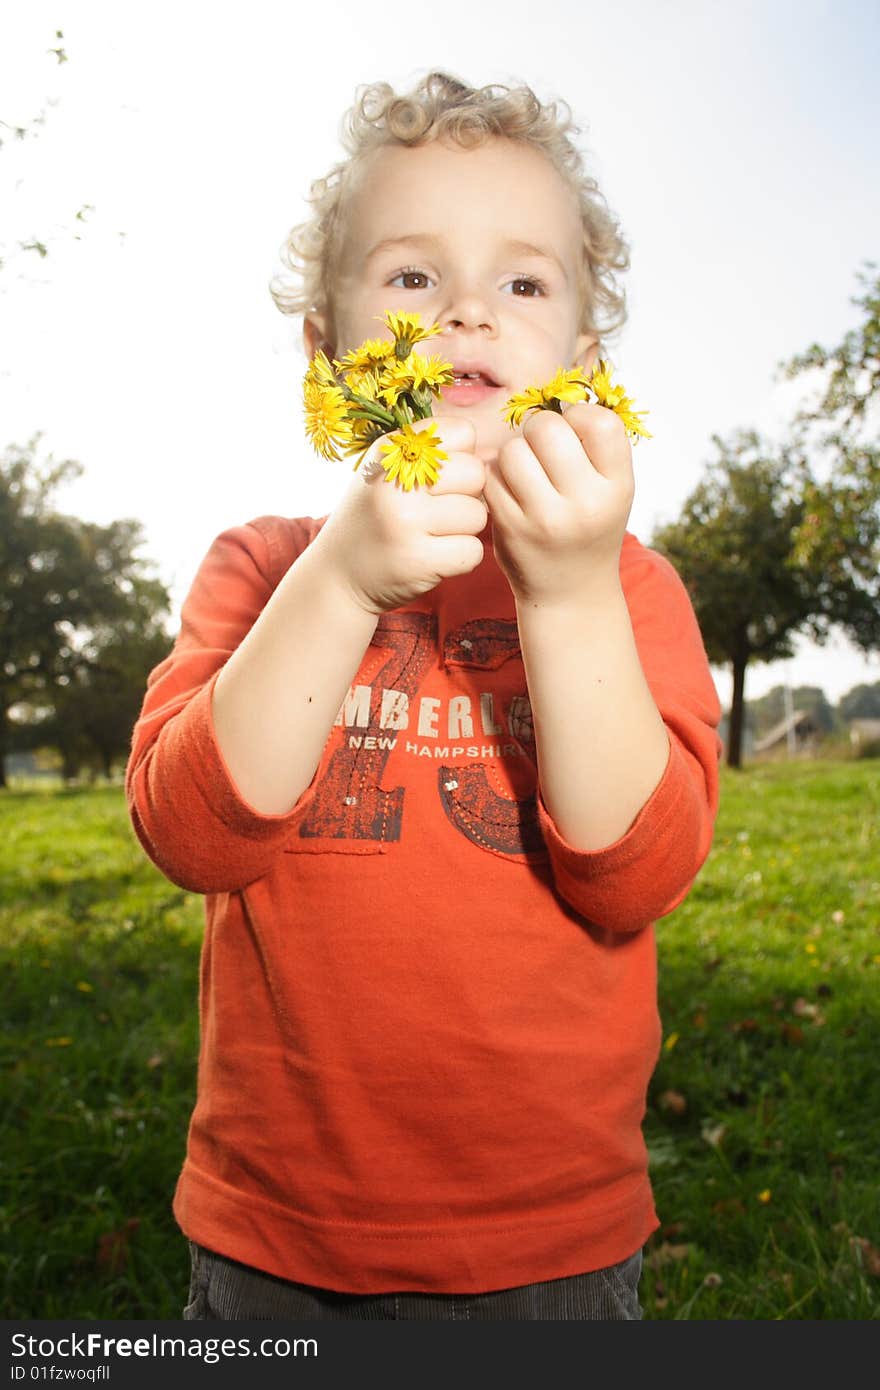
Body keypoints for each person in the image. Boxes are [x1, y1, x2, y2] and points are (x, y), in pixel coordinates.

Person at [126, 71, 722, 1321]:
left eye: (521, 282)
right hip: (278, 1236)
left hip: (551, 1239)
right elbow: (192, 835)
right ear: (324, 347)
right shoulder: (262, 570)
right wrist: (341, 576)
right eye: (411, 278)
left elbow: (636, 874)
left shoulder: (630, 590)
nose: (466, 311)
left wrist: (563, 598)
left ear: (582, 361)